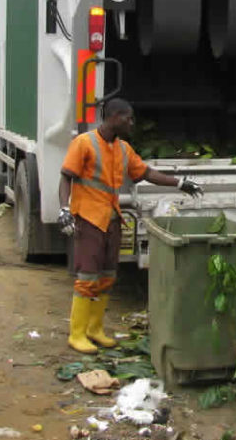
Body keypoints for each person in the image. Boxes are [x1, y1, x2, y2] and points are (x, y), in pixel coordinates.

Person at [58, 98, 203, 353]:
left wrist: (179, 183)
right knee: (87, 278)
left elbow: (146, 173)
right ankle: (77, 334)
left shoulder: (123, 149)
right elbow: (66, 177)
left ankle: (95, 329)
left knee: (107, 276)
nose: (132, 123)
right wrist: (64, 209)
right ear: (114, 117)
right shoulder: (84, 143)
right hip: (89, 219)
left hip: (112, 218)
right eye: (129, 118)